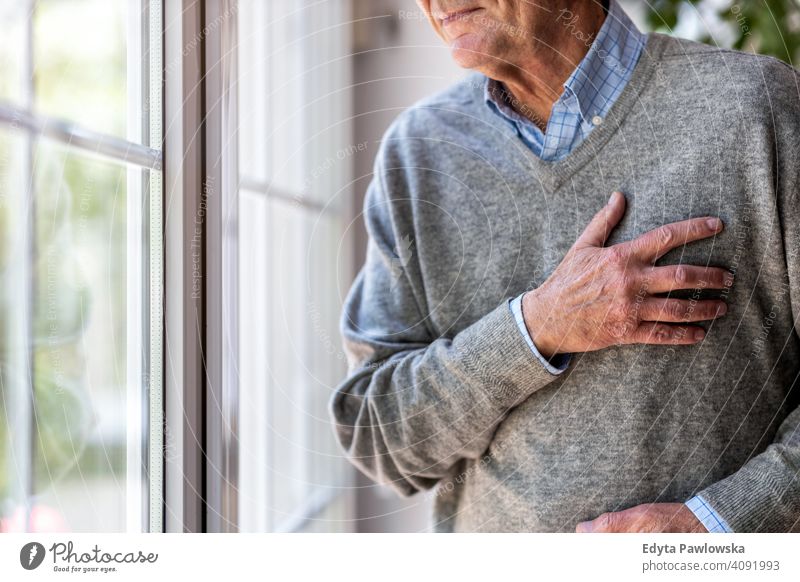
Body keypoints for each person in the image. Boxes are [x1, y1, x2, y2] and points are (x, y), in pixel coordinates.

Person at [330, 0, 800, 532]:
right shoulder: (417, 154)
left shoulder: (757, 108)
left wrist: (718, 529)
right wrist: (535, 328)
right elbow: (379, 437)